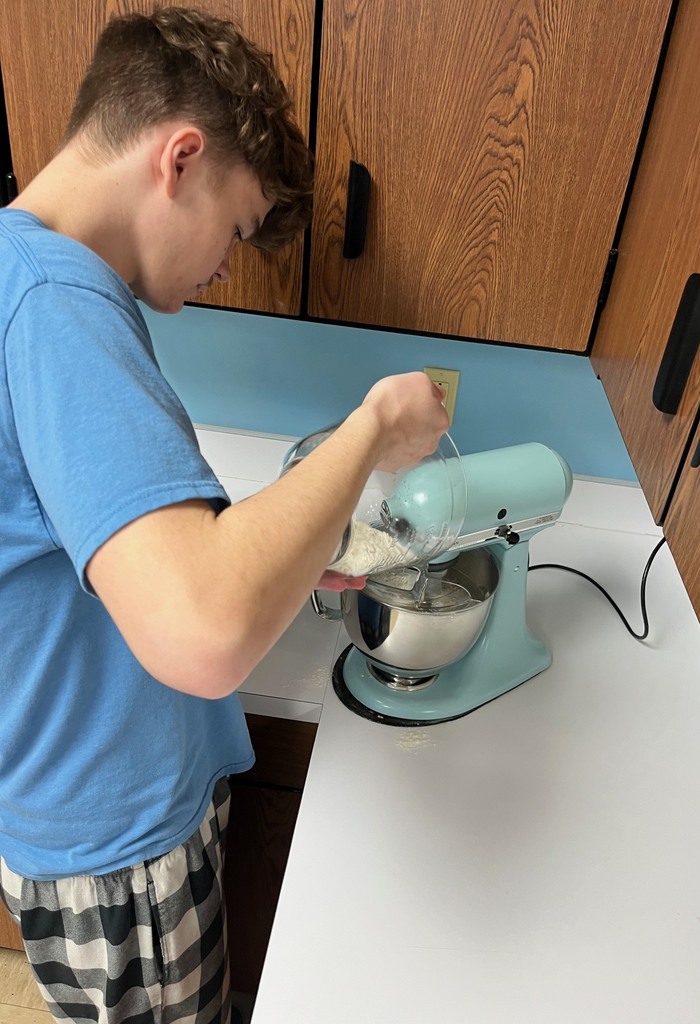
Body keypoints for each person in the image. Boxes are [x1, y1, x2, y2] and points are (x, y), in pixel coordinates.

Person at [0, 8, 448, 1024]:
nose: (225, 268)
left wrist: (281, 546)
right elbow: (205, 633)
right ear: (181, 158)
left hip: (73, 820)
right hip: (123, 852)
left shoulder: (22, 272)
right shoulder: (59, 307)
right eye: (236, 228)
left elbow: (105, 537)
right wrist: (374, 421)